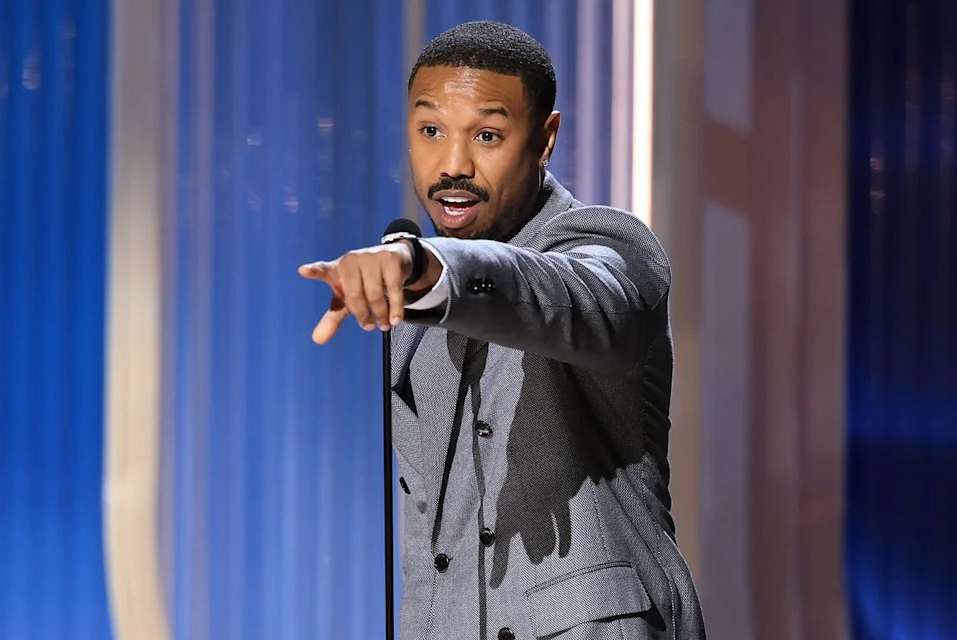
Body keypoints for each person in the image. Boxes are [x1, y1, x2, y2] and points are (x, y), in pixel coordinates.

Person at [299, 20, 705, 640]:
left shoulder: (609, 247)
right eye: (430, 131)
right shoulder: (414, 298)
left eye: (487, 135)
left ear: (545, 140)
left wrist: (430, 265)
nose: (452, 165)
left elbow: (562, 296)